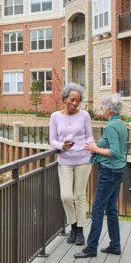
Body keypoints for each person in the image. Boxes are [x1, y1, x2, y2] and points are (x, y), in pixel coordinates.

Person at [74, 93, 128, 258]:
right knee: (111, 209)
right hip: (118, 171)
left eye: (104, 107)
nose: (102, 109)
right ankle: (115, 245)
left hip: (109, 171)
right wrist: (96, 146)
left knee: (97, 210)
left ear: (110, 110)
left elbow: (115, 152)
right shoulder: (121, 124)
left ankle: (91, 248)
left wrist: (95, 149)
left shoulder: (111, 127)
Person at [49, 83, 94, 246]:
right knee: (66, 196)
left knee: (79, 196)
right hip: (65, 161)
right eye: (72, 100)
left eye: (78, 101)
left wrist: (89, 146)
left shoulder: (84, 115)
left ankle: (79, 231)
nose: (75, 103)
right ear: (65, 99)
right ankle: (73, 225)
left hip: (83, 160)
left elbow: (89, 136)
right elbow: (52, 139)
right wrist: (61, 146)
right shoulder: (55, 117)